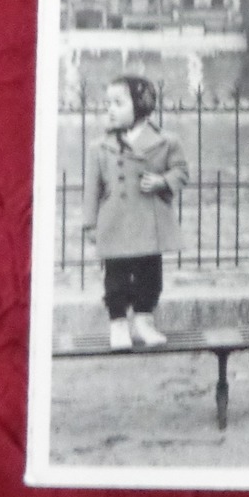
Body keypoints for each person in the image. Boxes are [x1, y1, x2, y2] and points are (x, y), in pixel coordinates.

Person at [83, 75, 190, 350]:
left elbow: (181, 171)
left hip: (148, 222)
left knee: (150, 276)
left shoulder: (167, 141)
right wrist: (90, 224)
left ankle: (144, 322)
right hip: (115, 222)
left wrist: (162, 181)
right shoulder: (100, 147)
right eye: (108, 103)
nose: (110, 109)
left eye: (118, 103)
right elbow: (92, 188)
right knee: (115, 277)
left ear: (141, 105)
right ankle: (118, 325)